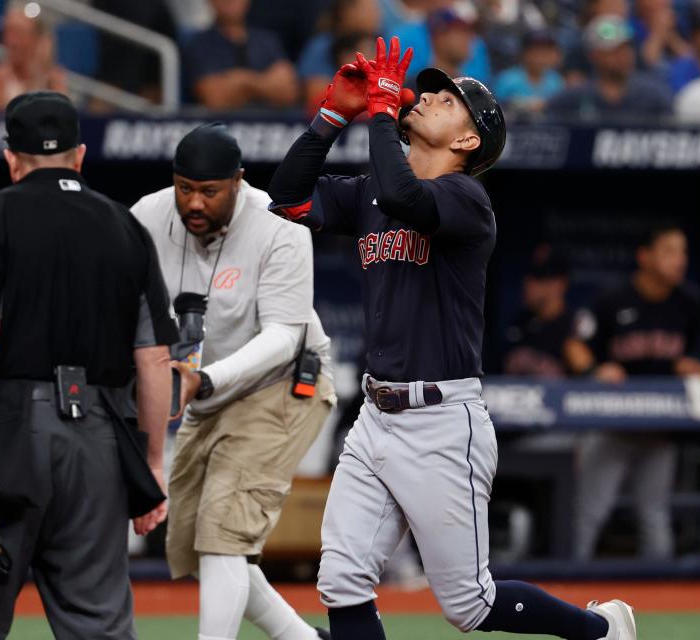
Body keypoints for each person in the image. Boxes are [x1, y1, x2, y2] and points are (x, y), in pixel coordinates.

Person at [268, 35, 636, 640]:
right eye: (431, 91)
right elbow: (288, 199)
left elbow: (405, 197)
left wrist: (384, 113)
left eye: (446, 100)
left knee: (469, 605)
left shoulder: (468, 198)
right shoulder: (372, 191)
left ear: (468, 141)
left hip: (442, 421)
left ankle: (599, 631)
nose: (430, 97)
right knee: (340, 580)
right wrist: (333, 116)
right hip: (376, 416)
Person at [0, 91, 177, 638]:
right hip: (100, 439)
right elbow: (156, 357)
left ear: (10, 158)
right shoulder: (126, 226)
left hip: (10, 436)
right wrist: (153, 462)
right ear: (80, 155)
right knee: (99, 622)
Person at [130, 123, 337, 640]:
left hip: (284, 383)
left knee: (223, 534)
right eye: (184, 188)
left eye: (209, 191)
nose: (193, 202)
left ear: (238, 182)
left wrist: (204, 379)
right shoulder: (147, 217)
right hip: (207, 392)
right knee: (201, 548)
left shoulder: (278, 223)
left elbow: (285, 336)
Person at [570, 223, 700, 561]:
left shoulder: (690, 303)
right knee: (589, 515)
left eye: (683, 252)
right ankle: (567, 587)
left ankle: (665, 605)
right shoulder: (612, 300)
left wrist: (685, 366)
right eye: (670, 252)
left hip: (659, 429)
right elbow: (575, 344)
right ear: (645, 257)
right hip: (612, 426)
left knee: (655, 518)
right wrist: (595, 369)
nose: (680, 261)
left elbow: (694, 360)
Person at [547, 14, 673, 120]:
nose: (623, 56)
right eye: (614, 50)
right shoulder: (573, 98)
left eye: (627, 48)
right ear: (594, 56)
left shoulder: (654, 96)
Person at [182, 0, 298, 109]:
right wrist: (266, 84)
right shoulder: (199, 44)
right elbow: (215, 98)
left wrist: (241, 82)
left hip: (269, 127)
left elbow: (288, 92)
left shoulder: (267, 41)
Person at [501, 247, 581, 377]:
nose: (528, 284)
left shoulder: (575, 325)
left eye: (539, 278)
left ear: (560, 284)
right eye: (528, 277)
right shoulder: (519, 323)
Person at [0, 5, 68, 111]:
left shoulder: (54, 79)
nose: (12, 41)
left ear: (36, 39)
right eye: (8, 33)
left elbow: (60, 116)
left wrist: (39, 77)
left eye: (19, 33)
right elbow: (3, 119)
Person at [298, 0, 382, 109]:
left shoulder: (379, 42)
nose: (376, 15)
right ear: (347, 12)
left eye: (375, 10)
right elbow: (315, 94)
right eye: (368, 10)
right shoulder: (323, 46)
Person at [391, 7, 493, 86]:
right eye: (461, 32)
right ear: (439, 36)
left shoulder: (474, 90)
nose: (470, 38)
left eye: (470, 32)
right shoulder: (416, 86)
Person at [494, 29, 565, 114]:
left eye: (546, 51)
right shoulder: (507, 80)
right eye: (536, 51)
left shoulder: (556, 81)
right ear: (524, 53)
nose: (541, 57)